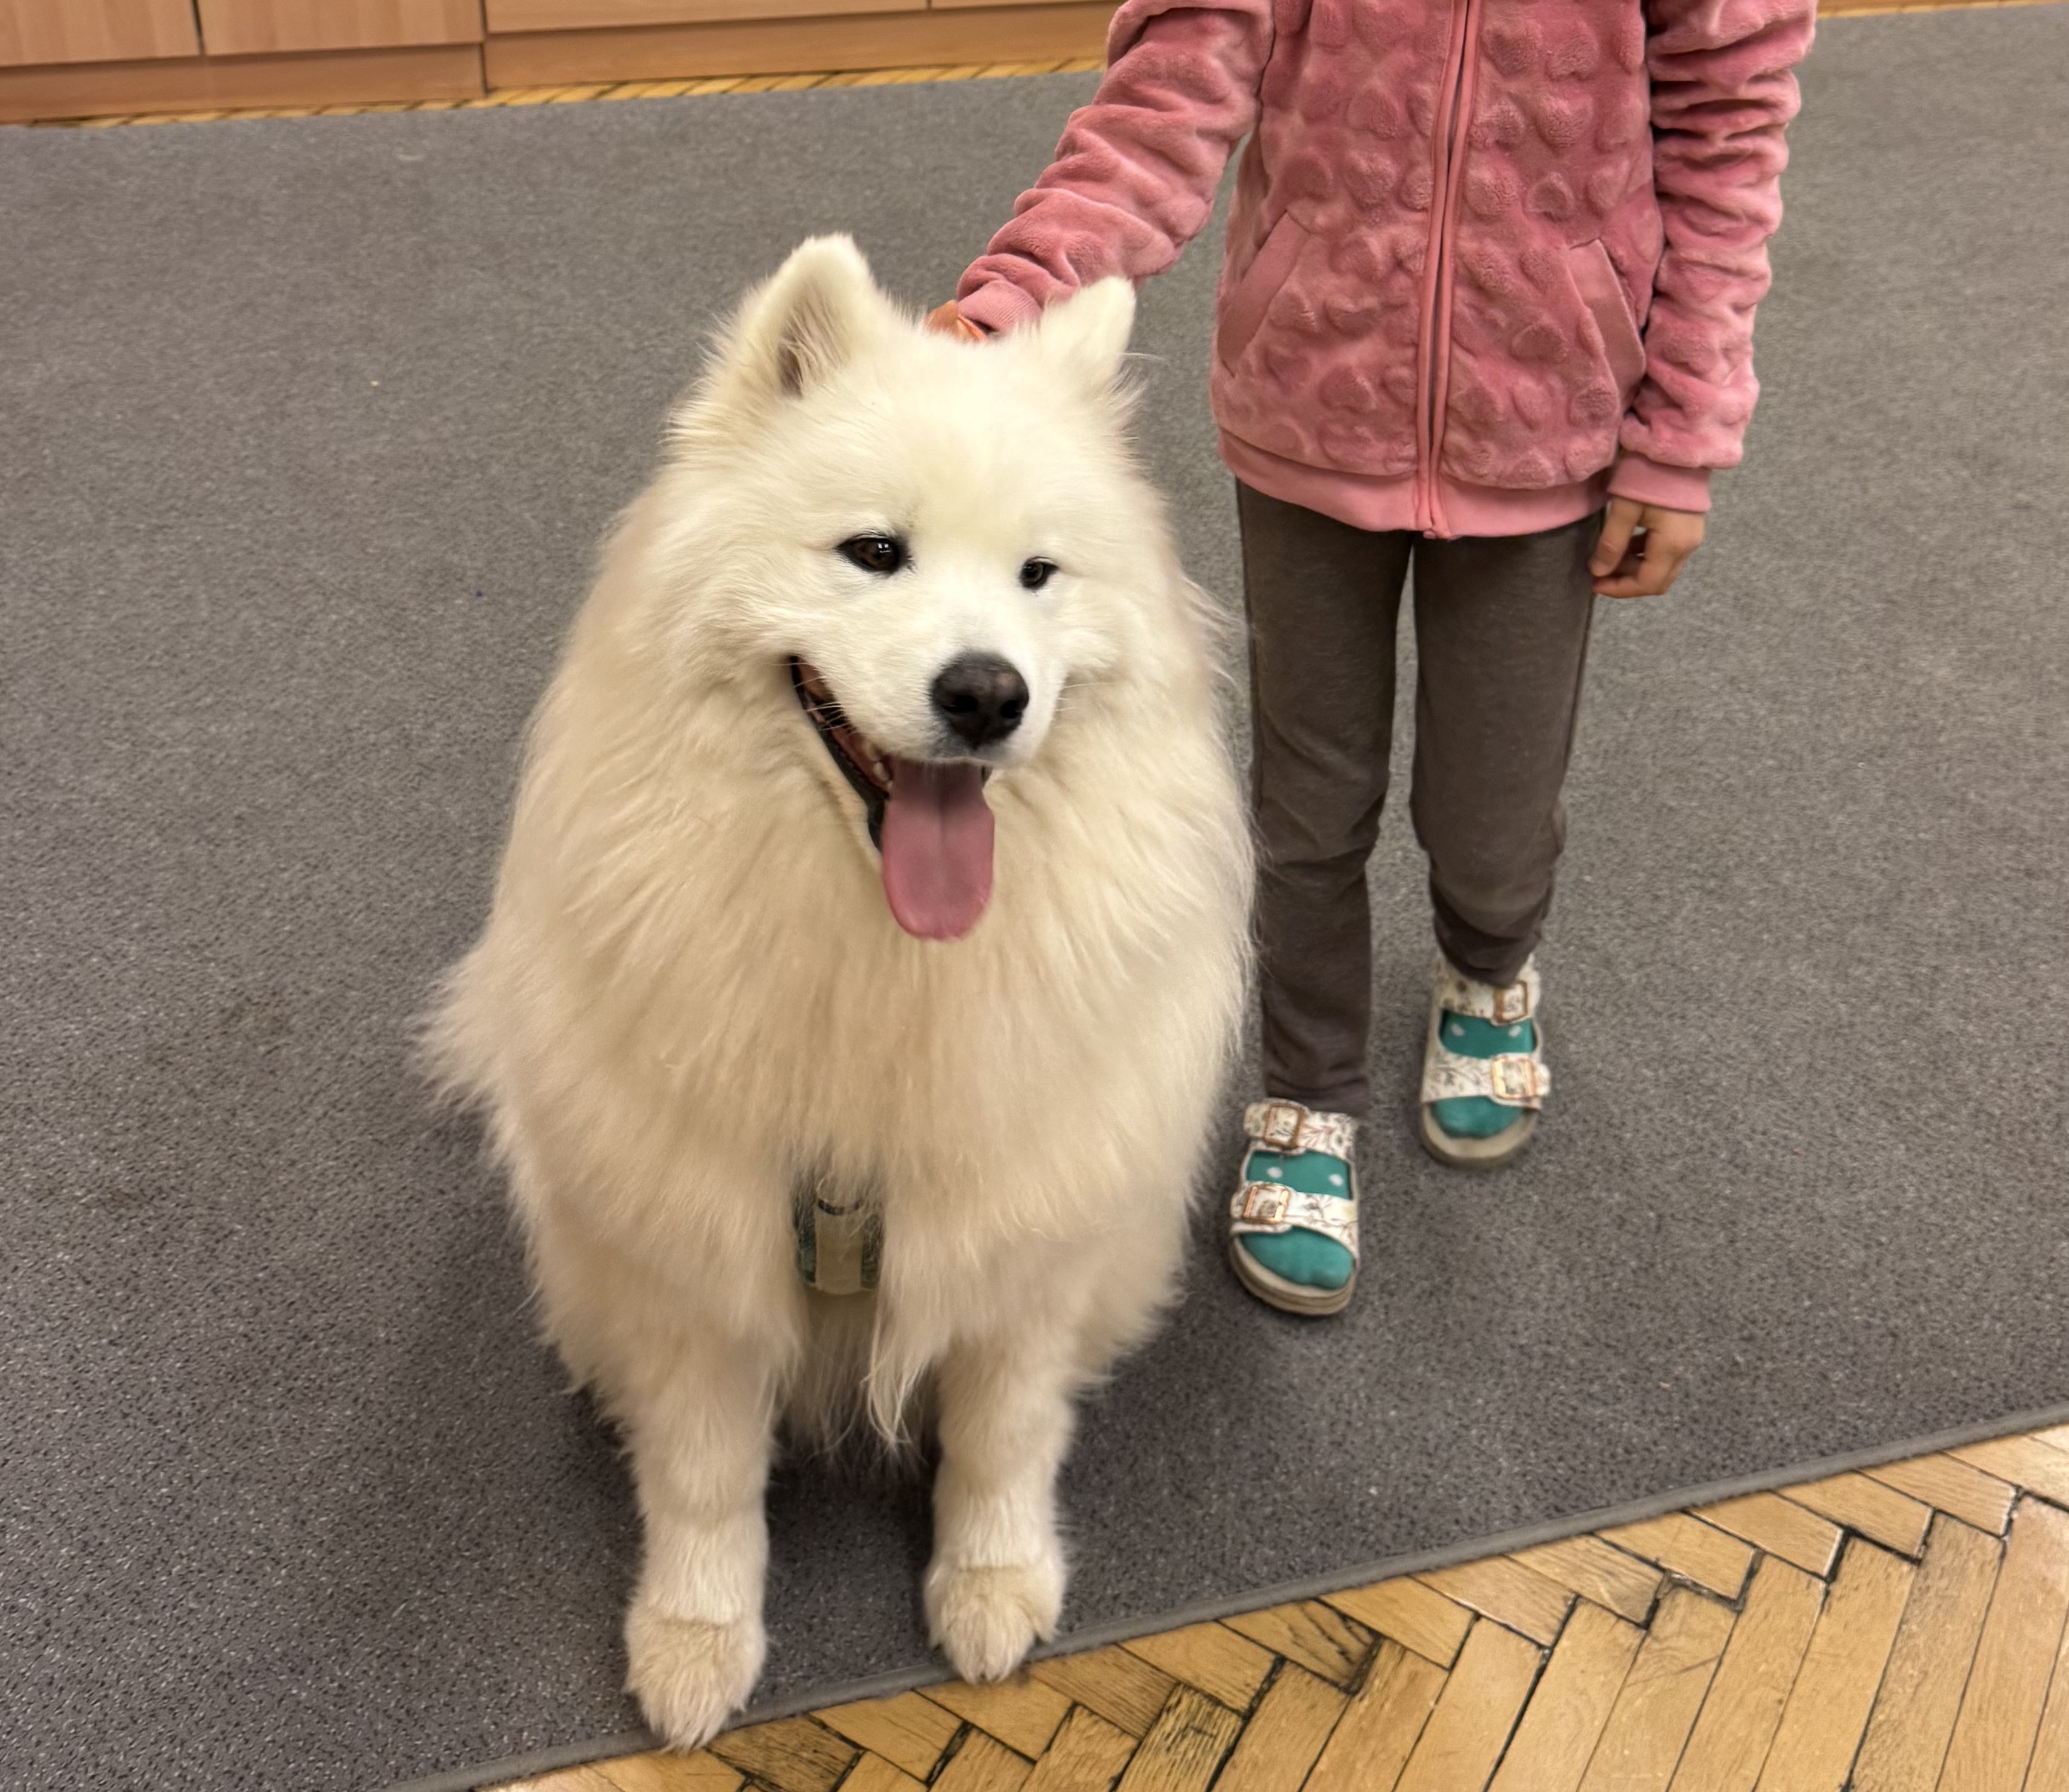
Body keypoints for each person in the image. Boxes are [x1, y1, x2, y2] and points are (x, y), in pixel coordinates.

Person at [926, 0, 1815, 1316]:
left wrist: (1680, 429)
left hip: (1552, 425)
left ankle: (1491, 967)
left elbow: (1725, 133)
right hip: (1309, 410)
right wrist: (1015, 298)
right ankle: (1307, 1088)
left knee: (1492, 813)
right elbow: (1173, 88)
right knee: (1306, 804)